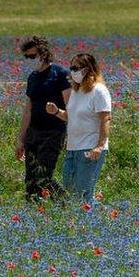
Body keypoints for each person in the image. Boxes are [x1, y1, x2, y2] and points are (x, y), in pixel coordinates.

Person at [46, 53, 111, 205]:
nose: (72, 71)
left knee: (82, 192)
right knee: (69, 188)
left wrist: (100, 146)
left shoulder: (99, 91)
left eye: (76, 68)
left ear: (88, 69)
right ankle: (93, 217)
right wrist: (56, 111)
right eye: (71, 67)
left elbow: (105, 119)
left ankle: (92, 221)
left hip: (90, 147)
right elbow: (70, 116)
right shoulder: (76, 91)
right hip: (73, 148)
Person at [15, 36, 71, 201]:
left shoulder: (60, 74)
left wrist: (58, 112)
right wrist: (21, 139)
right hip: (33, 132)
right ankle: (34, 214)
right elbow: (28, 110)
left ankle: (66, 204)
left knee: (44, 176)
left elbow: (70, 106)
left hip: (53, 132)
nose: (29, 60)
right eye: (26, 57)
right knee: (31, 180)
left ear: (43, 53)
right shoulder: (32, 77)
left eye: (32, 56)